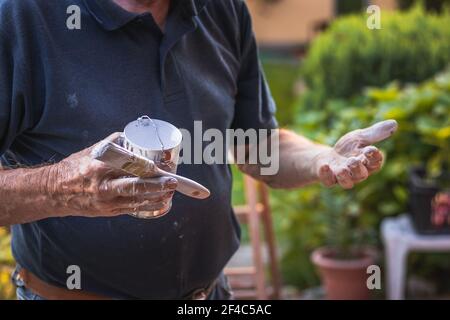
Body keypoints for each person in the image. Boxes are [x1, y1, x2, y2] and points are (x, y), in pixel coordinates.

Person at [0, 0, 397, 300]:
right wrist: (59, 186)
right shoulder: (21, 17)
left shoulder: (221, 10)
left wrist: (323, 158)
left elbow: (257, 146)